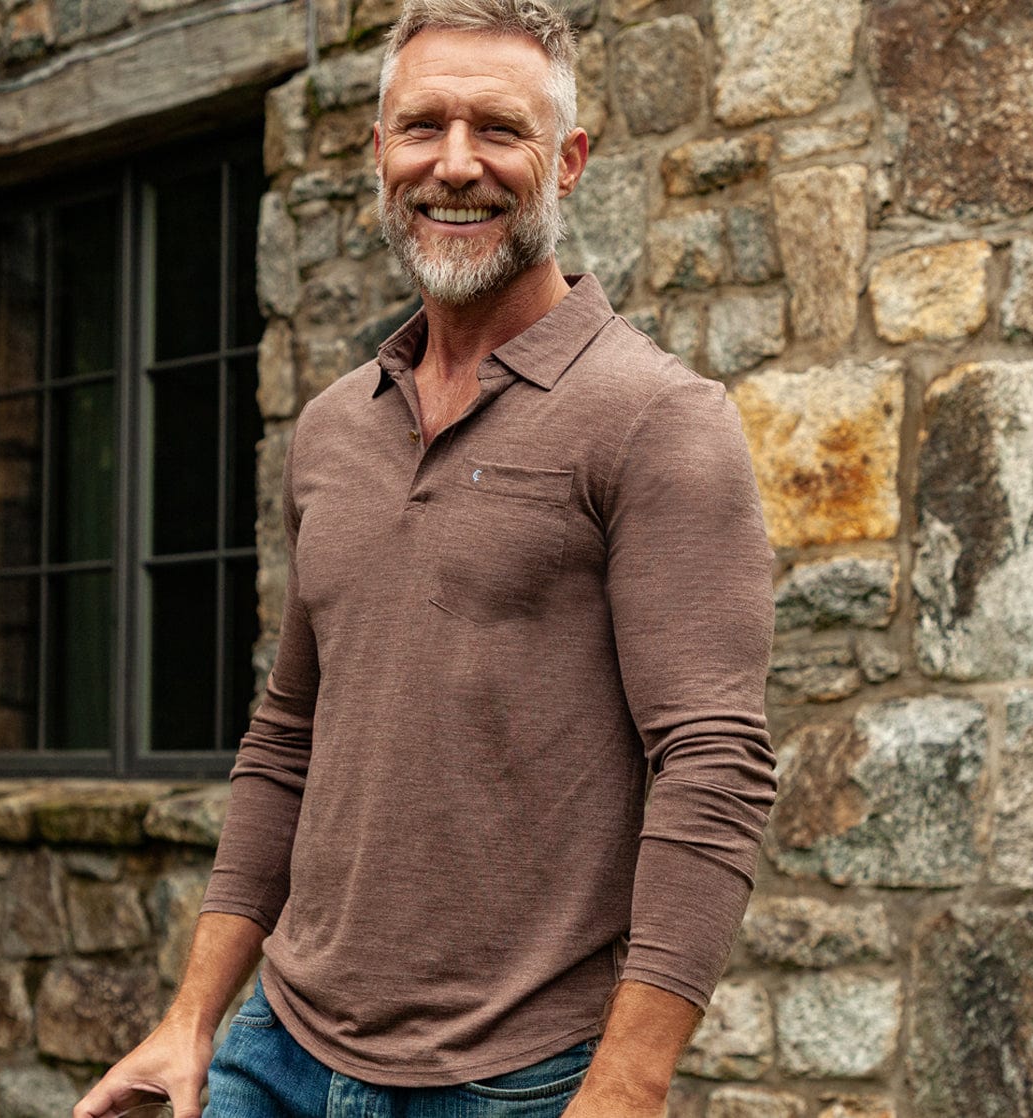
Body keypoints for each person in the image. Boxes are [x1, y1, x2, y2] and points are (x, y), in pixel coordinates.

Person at [74, 0, 775, 1113]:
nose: (454, 165)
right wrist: (192, 1016)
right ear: (378, 152)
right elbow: (287, 736)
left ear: (568, 162)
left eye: (498, 129)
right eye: (422, 126)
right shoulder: (332, 427)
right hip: (276, 1048)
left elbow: (714, 762)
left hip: (512, 1078)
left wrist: (628, 1085)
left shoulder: (657, 419)